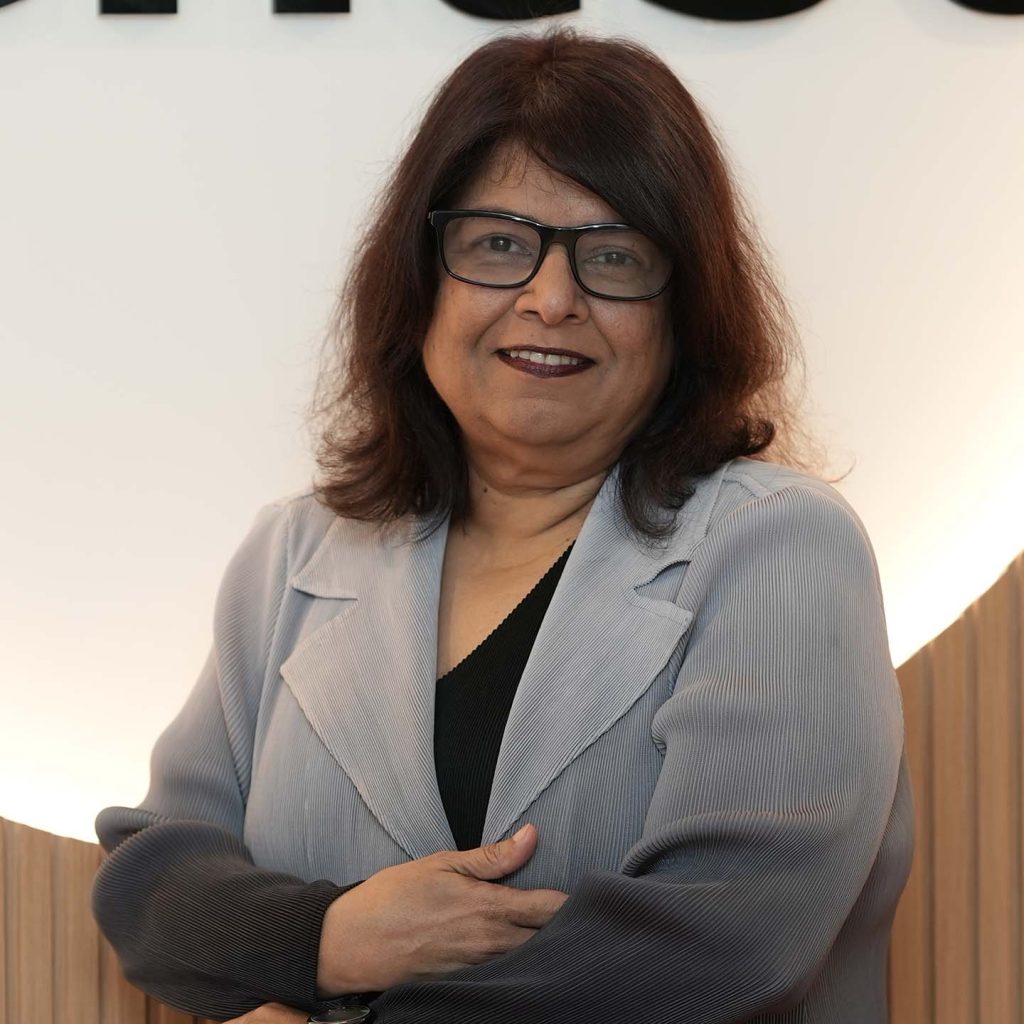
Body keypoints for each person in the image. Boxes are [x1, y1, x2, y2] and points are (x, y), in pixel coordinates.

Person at [91, 27, 914, 1024]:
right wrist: (326, 936)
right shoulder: (293, 554)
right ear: (421, 281)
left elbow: (721, 946)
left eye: (614, 256)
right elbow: (154, 884)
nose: (551, 299)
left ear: (683, 309)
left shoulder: (780, 546)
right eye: (499, 244)